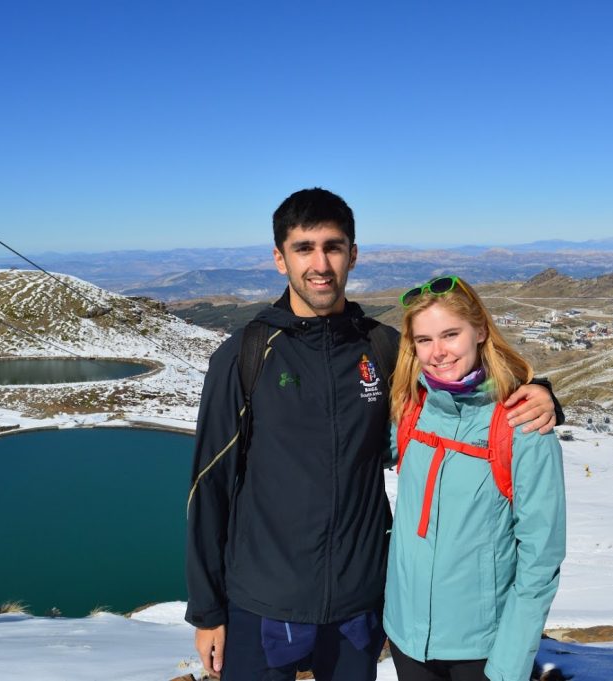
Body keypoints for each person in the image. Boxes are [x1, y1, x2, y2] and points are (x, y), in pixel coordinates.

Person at [185, 188, 564, 681]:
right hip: (264, 599)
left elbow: (449, 393)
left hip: (357, 605)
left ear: (353, 255)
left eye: (334, 247)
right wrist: (207, 610)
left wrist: (543, 393)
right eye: (304, 248)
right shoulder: (247, 354)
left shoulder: (381, 346)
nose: (320, 264)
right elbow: (208, 485)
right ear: (280, 259)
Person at [384, 275, 566, 681]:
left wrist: (508, 666)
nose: (438, 352)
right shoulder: (411, 409)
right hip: (406, 638)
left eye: (451, 334)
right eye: (424, 339)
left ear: (480, 330)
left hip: (481, 650)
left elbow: (541, 560)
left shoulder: (522, 425)